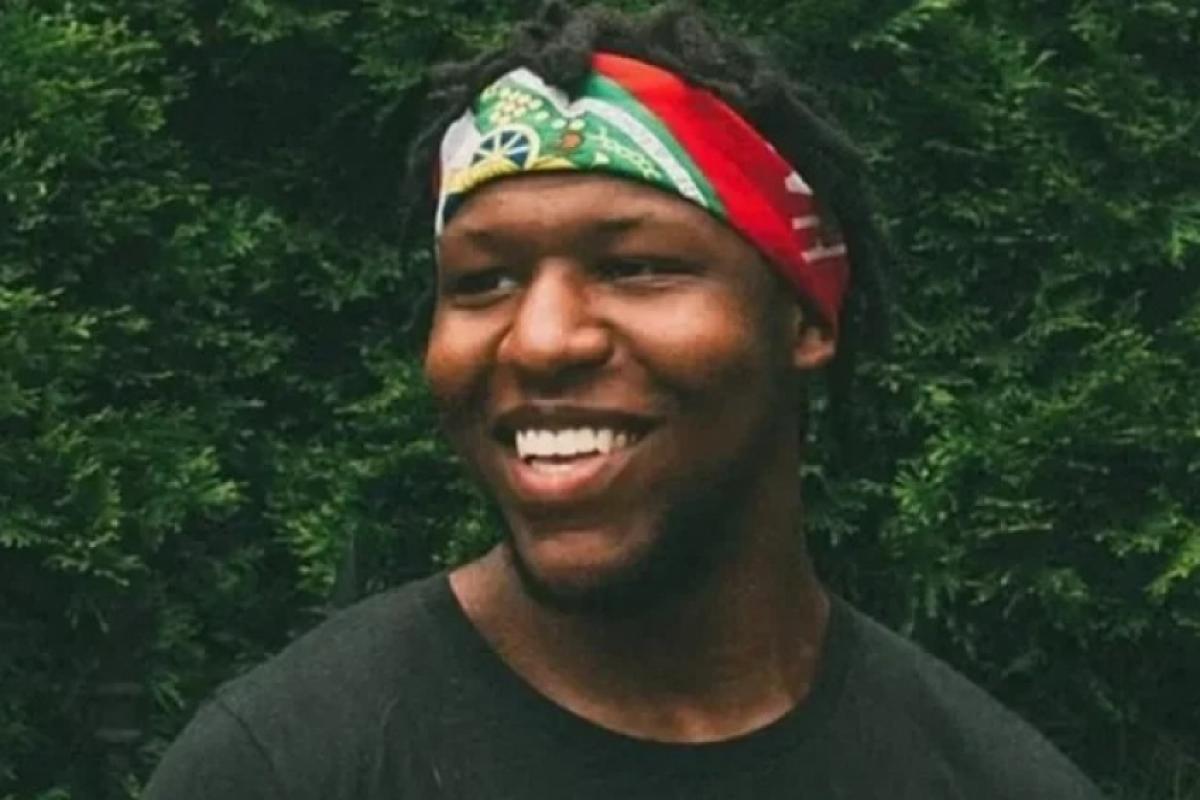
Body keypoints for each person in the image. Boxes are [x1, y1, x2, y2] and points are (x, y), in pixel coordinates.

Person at [145, 3, 1105, 798]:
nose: (542, 339)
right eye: (483, 281)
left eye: (636, 266)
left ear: (807, 318)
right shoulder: (290, 766)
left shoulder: (987, 778)